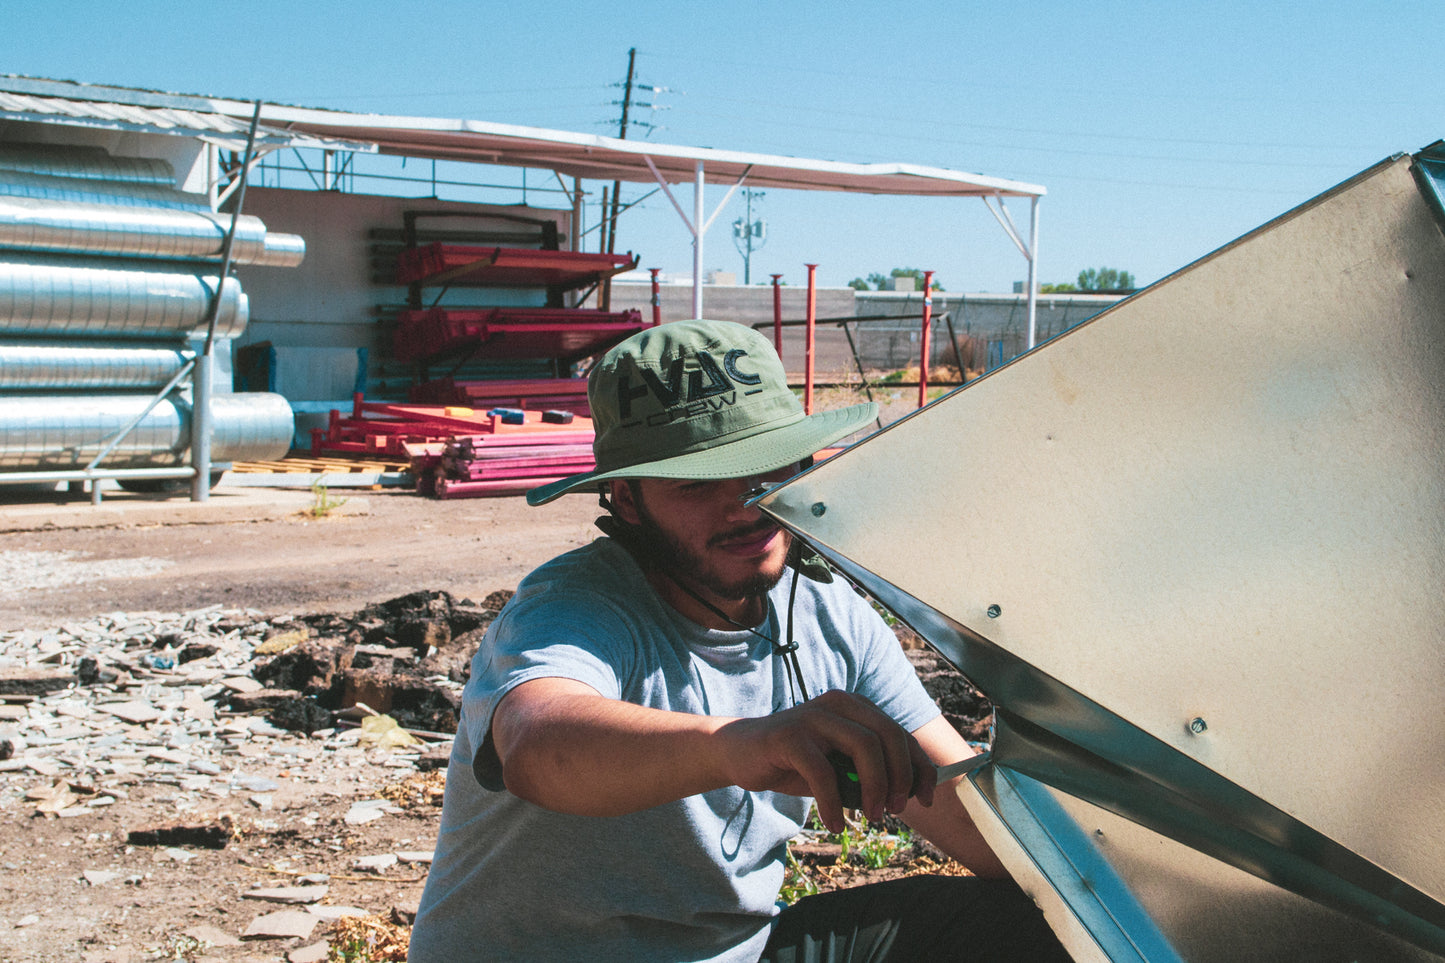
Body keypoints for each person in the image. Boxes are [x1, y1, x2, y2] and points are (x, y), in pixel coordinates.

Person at [409, 320, 1067, 962]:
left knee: (1033, 922)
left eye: (763, 469)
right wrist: (734, 745)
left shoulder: (824, 609)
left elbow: (962, 806)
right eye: (696, 484)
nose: (745, 506)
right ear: (627, 500)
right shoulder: (576, 606)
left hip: (735, 949)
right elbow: (537, 746)